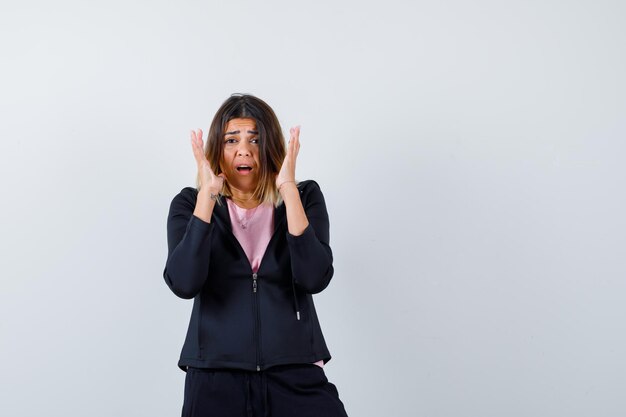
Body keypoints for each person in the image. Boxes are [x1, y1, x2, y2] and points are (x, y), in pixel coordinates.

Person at [163, 93, 349, 417]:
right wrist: (207, 197)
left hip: (295, 371)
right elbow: (183, 282)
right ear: (216, 151)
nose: (244, 150)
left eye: (255, 139)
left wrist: (288, 189)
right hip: (214, 377)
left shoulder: (304, 198)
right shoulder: (190, 205)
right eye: (231, 139)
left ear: (270, 147)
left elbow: (314, 277)